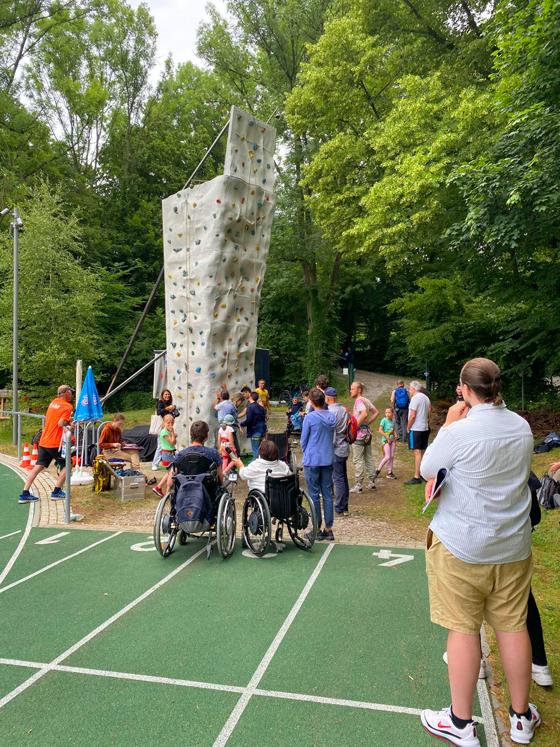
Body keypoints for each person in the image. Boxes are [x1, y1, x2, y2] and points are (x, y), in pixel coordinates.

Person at [420, 358, 540, 747]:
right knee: (512, 625)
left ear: (465, 389)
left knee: (463, 628)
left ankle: (460, 721)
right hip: (512, 544)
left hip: (463, 544)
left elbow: (429, 469)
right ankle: (521, 717)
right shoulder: (521, 426)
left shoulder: (462, 430)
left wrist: (452, 421)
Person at [18, 384, 74, 503]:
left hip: (44, 440)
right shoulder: (68, 406)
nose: (72, 395)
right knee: (68, 464)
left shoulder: (53, 402)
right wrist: (70, 422)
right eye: (71, 392)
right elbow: (60, 423)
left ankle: (24, 493)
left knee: (38, 466)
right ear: (66, 393)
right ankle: (56, 491)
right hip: (54, 442)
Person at [301, 387, 337, 541]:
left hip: (312, 459)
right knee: (328, 494)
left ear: (312, 401)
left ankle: (316, 527)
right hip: (327, 458)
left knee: (314, 494)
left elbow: (304, 440)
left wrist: (307, 451)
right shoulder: (332, 417)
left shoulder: (310, 418)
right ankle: (328, 528)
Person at [156, 420, 223, 497]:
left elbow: (170, 481)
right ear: (206, 437)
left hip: (184, 493)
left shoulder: (180, 455)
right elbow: (220, 476)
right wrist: (221, 485)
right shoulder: (213, 453)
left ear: (191, 435)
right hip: (207, 494)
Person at [226, 439, 291, 492]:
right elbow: (289, 475)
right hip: (281, 498)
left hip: (261, 497)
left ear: (260, 453)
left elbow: (243, 475)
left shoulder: (255, 465)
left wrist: (240, 465)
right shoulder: (283, 465)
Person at [349, 380, 379, 493]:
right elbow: (376, 412)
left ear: (359, 390)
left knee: (358, 460)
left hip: (359, 436)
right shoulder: (366, 400)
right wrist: (367, 424)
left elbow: (364, 413)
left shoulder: (358, 401)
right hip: (367, 434)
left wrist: (354, 427)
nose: (350, 390)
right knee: (368, 458)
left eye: (352, 388)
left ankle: (358, 485)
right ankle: (372, 482)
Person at [325, 387, 350, 515]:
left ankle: (340, 507)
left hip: (336, 448)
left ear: (328, 397)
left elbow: (332, 432)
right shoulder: (343, 410)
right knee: (343, 477)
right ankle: (345, 506)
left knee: (338, 478)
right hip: (344, 446)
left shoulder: (330, 411)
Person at [405, 380, 431, 485]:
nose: (409, 391)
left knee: (417, 452)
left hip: (416, 428)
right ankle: (423, 474)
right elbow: (430, 411)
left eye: (410, 389)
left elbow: (412, 415)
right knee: (422, 452)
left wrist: (408, 427)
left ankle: (417, 476)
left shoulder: (415, 398)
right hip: (424, 428)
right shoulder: (426, 398)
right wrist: (427, 423)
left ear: (414, 389)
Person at [152, 389, 179, 470]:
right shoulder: (160, 402)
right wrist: (168, 408)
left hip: (168, 427)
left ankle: (169, 462)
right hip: (162, 427)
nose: (167, 396)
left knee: (168, 445)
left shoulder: (170, 404)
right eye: (165, 394)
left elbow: (175, 415)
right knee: (160, 446)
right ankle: (155, 464)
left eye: (168, 394)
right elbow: (158, 412)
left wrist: (173, 409)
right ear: (162, 395)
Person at [241, 391, 267, 458]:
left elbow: (249, 420)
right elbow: (265, 419)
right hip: (262, 431)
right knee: (260, 449)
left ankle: (255, 466)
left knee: (255, 449)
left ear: (250, 397)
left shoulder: (250, 407)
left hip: (255, 432)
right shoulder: (261, 408)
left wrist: (241, 424)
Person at [376, 407, 397, 479]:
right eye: (386, 412)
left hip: (392, 441)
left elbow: (393, 429)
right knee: (387, 456)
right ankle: (377, 470)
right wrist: (387, 437)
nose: (387, 414)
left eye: (389, 412)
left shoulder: (393, 421)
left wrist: (395, 434)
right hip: (385, 441)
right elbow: (380, 430)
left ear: (392, 413)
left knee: (391, 456)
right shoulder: (384, 420)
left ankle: (389, 473)